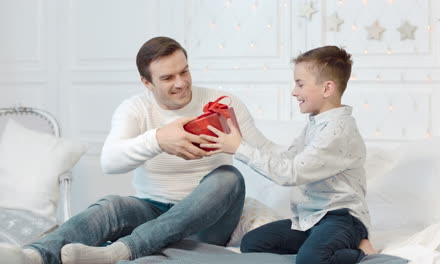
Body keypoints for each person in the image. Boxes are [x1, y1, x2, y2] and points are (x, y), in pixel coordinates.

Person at [0, 36, 275, 264]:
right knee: (113, 204)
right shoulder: (135, 109)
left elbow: (265, 151)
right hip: (153, 209)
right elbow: (109, 161)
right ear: (147, 83)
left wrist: (311, 152)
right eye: (168, 77)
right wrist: (157, 140)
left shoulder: (222, 102)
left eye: (184, 71)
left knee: (229, 176)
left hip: (207, 223)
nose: (180, 83)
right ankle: (33, 256)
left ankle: (120, 251)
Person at [200, 46, 377, 264]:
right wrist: (240, 137)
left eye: (300, 84)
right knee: (251, 243)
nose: (294, 91)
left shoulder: (337, 130)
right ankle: (322, 244)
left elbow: (290, 173)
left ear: (327, 88)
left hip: (341, 218)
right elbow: (286, 156)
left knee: (310, 260)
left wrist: (239, 148)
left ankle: (361, 252)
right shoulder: (317, 123)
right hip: (311, 219)